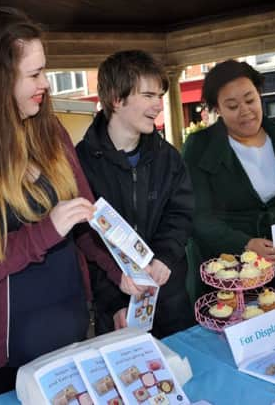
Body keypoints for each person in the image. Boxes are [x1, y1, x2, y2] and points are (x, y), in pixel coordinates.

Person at [0, 7, 131, 404]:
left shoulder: (47, 130)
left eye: (44, 71)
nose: (46, 85)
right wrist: (43, 233)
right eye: (34, 75)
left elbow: (83, 220)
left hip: (66, 343)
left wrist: (121, 272)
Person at [182, 60, 275, 302]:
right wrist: (245, 244)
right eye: (232, 106)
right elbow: (198, 216)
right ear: (217, 109)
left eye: (250, 100)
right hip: (229, 273)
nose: (245, 111)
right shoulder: (201, 146)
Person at [76, 50, 194, 338]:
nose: (158, 105)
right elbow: (84, 238)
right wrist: (115, 300)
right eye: (148, 96)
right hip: (116, 308)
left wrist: (165, 257)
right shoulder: (81, 162)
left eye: (159, 95)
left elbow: (181, 213)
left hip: (171, 299)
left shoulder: (168, 156)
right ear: (117, 99)